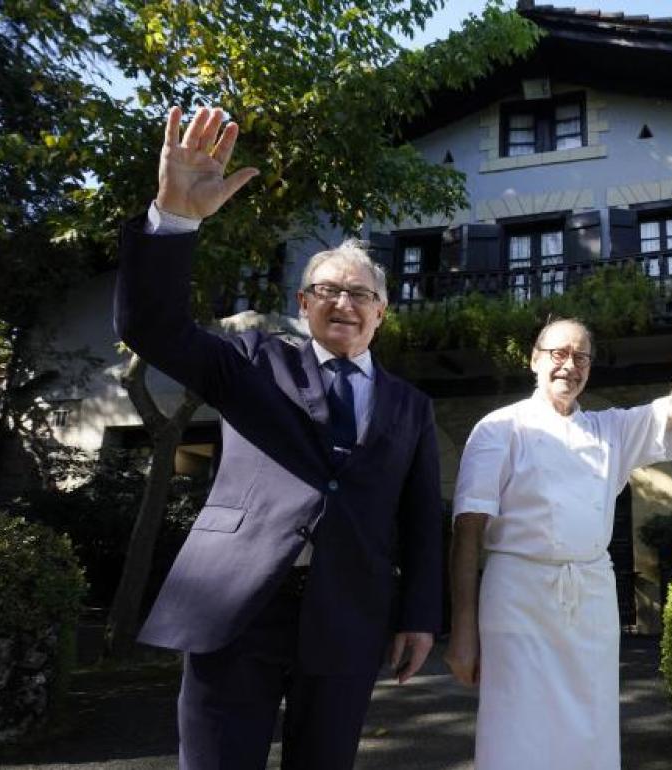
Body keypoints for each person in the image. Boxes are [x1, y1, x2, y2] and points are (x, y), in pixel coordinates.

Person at [114, 105, 443, 770]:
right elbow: (153, 329)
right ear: (302, 304)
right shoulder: (252, 359)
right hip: (235, 606)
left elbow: (420, 521)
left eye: (359, 294)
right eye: (326, 290)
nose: (343, 304)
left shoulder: (412, 407)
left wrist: (419, 615)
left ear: (382, 312)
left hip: (348, 615)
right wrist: (175, 219)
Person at [446, 260, 672, 770]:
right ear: (534, 360)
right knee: (518, 730)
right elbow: (468, 532)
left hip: (591, 598)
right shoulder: (498, 429)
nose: (569, 365)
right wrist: (463, 630)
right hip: (517, 599)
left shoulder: (608, 431)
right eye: (558, 353)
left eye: (581, 357)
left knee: (590, 726)